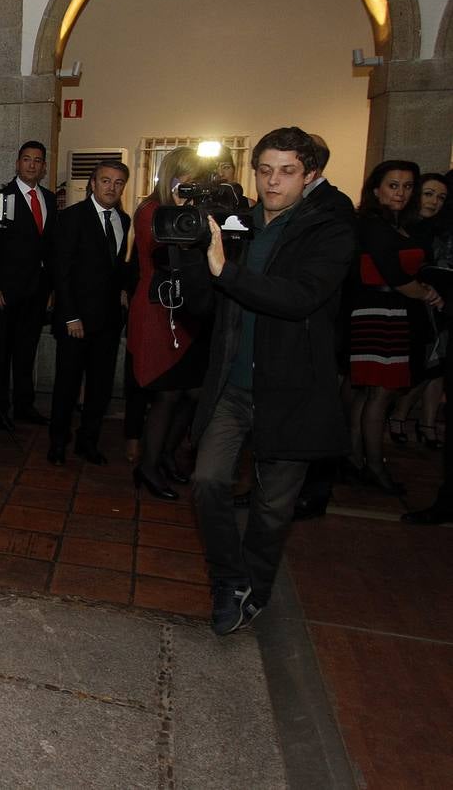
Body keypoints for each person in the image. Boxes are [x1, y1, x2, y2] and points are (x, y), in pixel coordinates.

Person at [188, 126, 354, 635]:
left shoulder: (329, 225)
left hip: (291, 389)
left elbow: (300, 296)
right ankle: (229, 579)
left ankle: (252, 591)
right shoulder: (240, 223)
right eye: (264, 171)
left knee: (272, 506)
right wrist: (191, 262)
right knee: (207, 481)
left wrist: (225, 272)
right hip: (233, 384)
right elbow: (210, 300)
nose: (273, 182)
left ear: (311, 175)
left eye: (286, 172)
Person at [347, 160, 442, 494]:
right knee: (379, 392)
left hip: (394, 312)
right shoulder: (373, 224)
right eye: (393, 185)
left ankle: (357, 460)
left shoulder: (405, 225)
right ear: (376, 189)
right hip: (377, 312)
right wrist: (428, 293)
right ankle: (373, 466)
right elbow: (395, 275)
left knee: (370, 392)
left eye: (407, 186)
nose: (401, 192)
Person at [126, 146, 211, 501]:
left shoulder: (191, 210)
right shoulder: (151, 211)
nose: (192, 182)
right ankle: (147, 468)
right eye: (187, 174)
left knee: (192, 392)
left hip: (187, 309)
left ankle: (163, 457)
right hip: (157, 309)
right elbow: (166, 252)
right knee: (166, 393)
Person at [46, 160, 131, 465]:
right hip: (75, 321)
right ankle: (57, 443)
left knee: (100, 387)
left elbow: (115, 268)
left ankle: (88, 442)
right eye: (105, 181)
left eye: (118, 182)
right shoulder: (71, 217)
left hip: (108, 321)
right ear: (92, 184)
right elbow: (61, 271)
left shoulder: (124, 220)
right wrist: (70, 316)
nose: (111, 187)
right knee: (67, 385)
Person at [290, 134, 357, 521]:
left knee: (316, 411)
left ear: (310, 168)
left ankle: (312, 493)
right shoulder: (287, 205)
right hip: (289, 326)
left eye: (288, 168)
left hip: (317, 323)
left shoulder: (333, 206)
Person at [0, 140, 56, 427]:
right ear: (18, 163)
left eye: (37, 160)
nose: (31, 165)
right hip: (5, 292)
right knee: (1, 353)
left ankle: (24, 406)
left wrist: (51, 290)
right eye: (26, 159)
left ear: (43, 167)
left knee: (27, 352)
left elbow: (51, 248)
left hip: (37, 292)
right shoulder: (3, 197)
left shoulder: (50, 199)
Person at [388, 172, 451, 449]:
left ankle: (423, 424)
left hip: (433, 306)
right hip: (402, 307)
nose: (434, 201)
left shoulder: (436, 228)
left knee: (434, 367)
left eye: (441, 197)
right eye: (428, 194)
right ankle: (398, 418)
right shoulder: (402, 226)